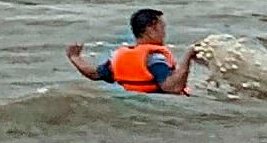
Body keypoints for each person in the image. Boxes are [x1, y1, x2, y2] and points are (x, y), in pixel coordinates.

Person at [66, 8, 196, 94]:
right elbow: (172, 87)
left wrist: (75, 57)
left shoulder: (119, 59)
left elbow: (93, 74)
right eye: (162, 27)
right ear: (151, 29)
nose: (164, 33)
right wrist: (188, 57)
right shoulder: (154, 58)